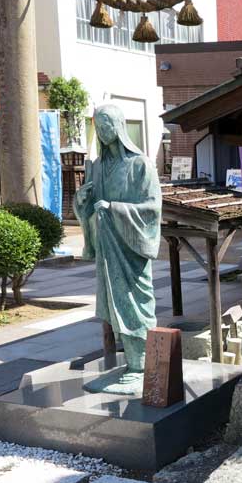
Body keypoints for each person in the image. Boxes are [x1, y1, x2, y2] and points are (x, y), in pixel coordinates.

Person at [74, 103, 161, 394]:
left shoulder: (140, 165)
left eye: (107, 124)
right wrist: (82, 203)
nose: (102, 130)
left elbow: (152, 209)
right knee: (113, 306)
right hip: (108, 250)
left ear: (120, 127)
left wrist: (113, 209)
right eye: (98, 125)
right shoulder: (96, 168)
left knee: (136, 306)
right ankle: (132, 365)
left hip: (130, 251)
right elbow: (87, 210)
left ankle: (143, 365)